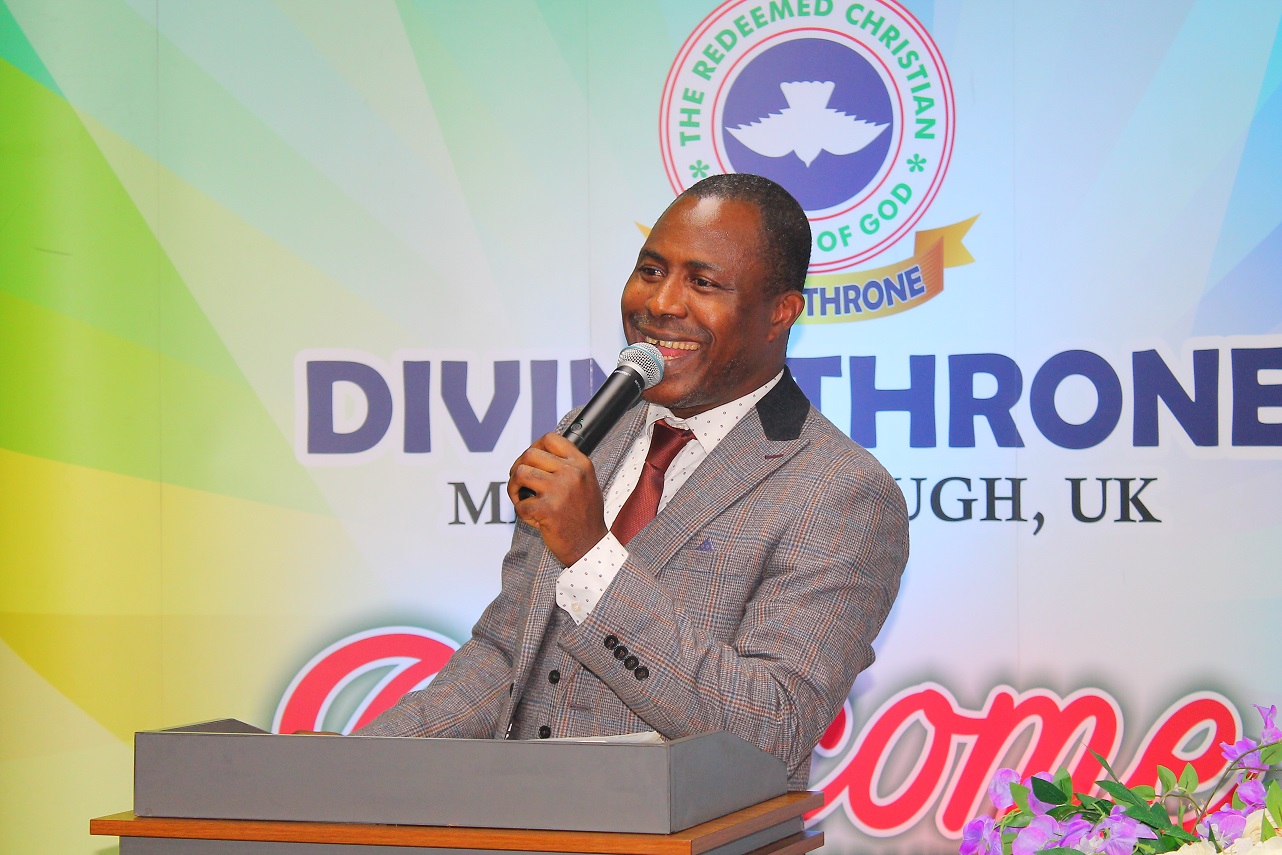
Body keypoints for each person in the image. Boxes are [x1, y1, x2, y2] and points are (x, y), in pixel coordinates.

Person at [358, 173, 909, 789]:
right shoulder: (588, 436)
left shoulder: (840, 491)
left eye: (703, 283)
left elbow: (770, 728)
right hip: (523, 820)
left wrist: (591, 555)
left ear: (780, 312)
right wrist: (356, 764)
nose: (662, 304)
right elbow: (508, 656)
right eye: (651, 271)